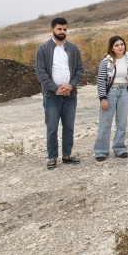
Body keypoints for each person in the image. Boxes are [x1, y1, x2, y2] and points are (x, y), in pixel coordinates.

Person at [35, 17, 84, 169]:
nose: (62, 32)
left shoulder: (73, 48)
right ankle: (52, 157)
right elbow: (41, 73)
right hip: (52, 96)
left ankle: (67, 155)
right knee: (52, 127)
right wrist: (56, 88)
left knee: (69, 127)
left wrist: (71, 86)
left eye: (64, 29)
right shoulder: (43, 49)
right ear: (52, 30)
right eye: (59, 29)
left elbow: (79, 70)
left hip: (70, 95)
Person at [94, 36, 128, 161]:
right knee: (105, 123)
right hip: (110, 93)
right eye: (117, 45)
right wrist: (103, 98)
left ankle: (120, 149)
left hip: (125, 92)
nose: (120, 47)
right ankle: (101, 151)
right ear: (111, 48)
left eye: (122, 44)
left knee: (122, 122)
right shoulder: (106, 61)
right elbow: (100, 81)